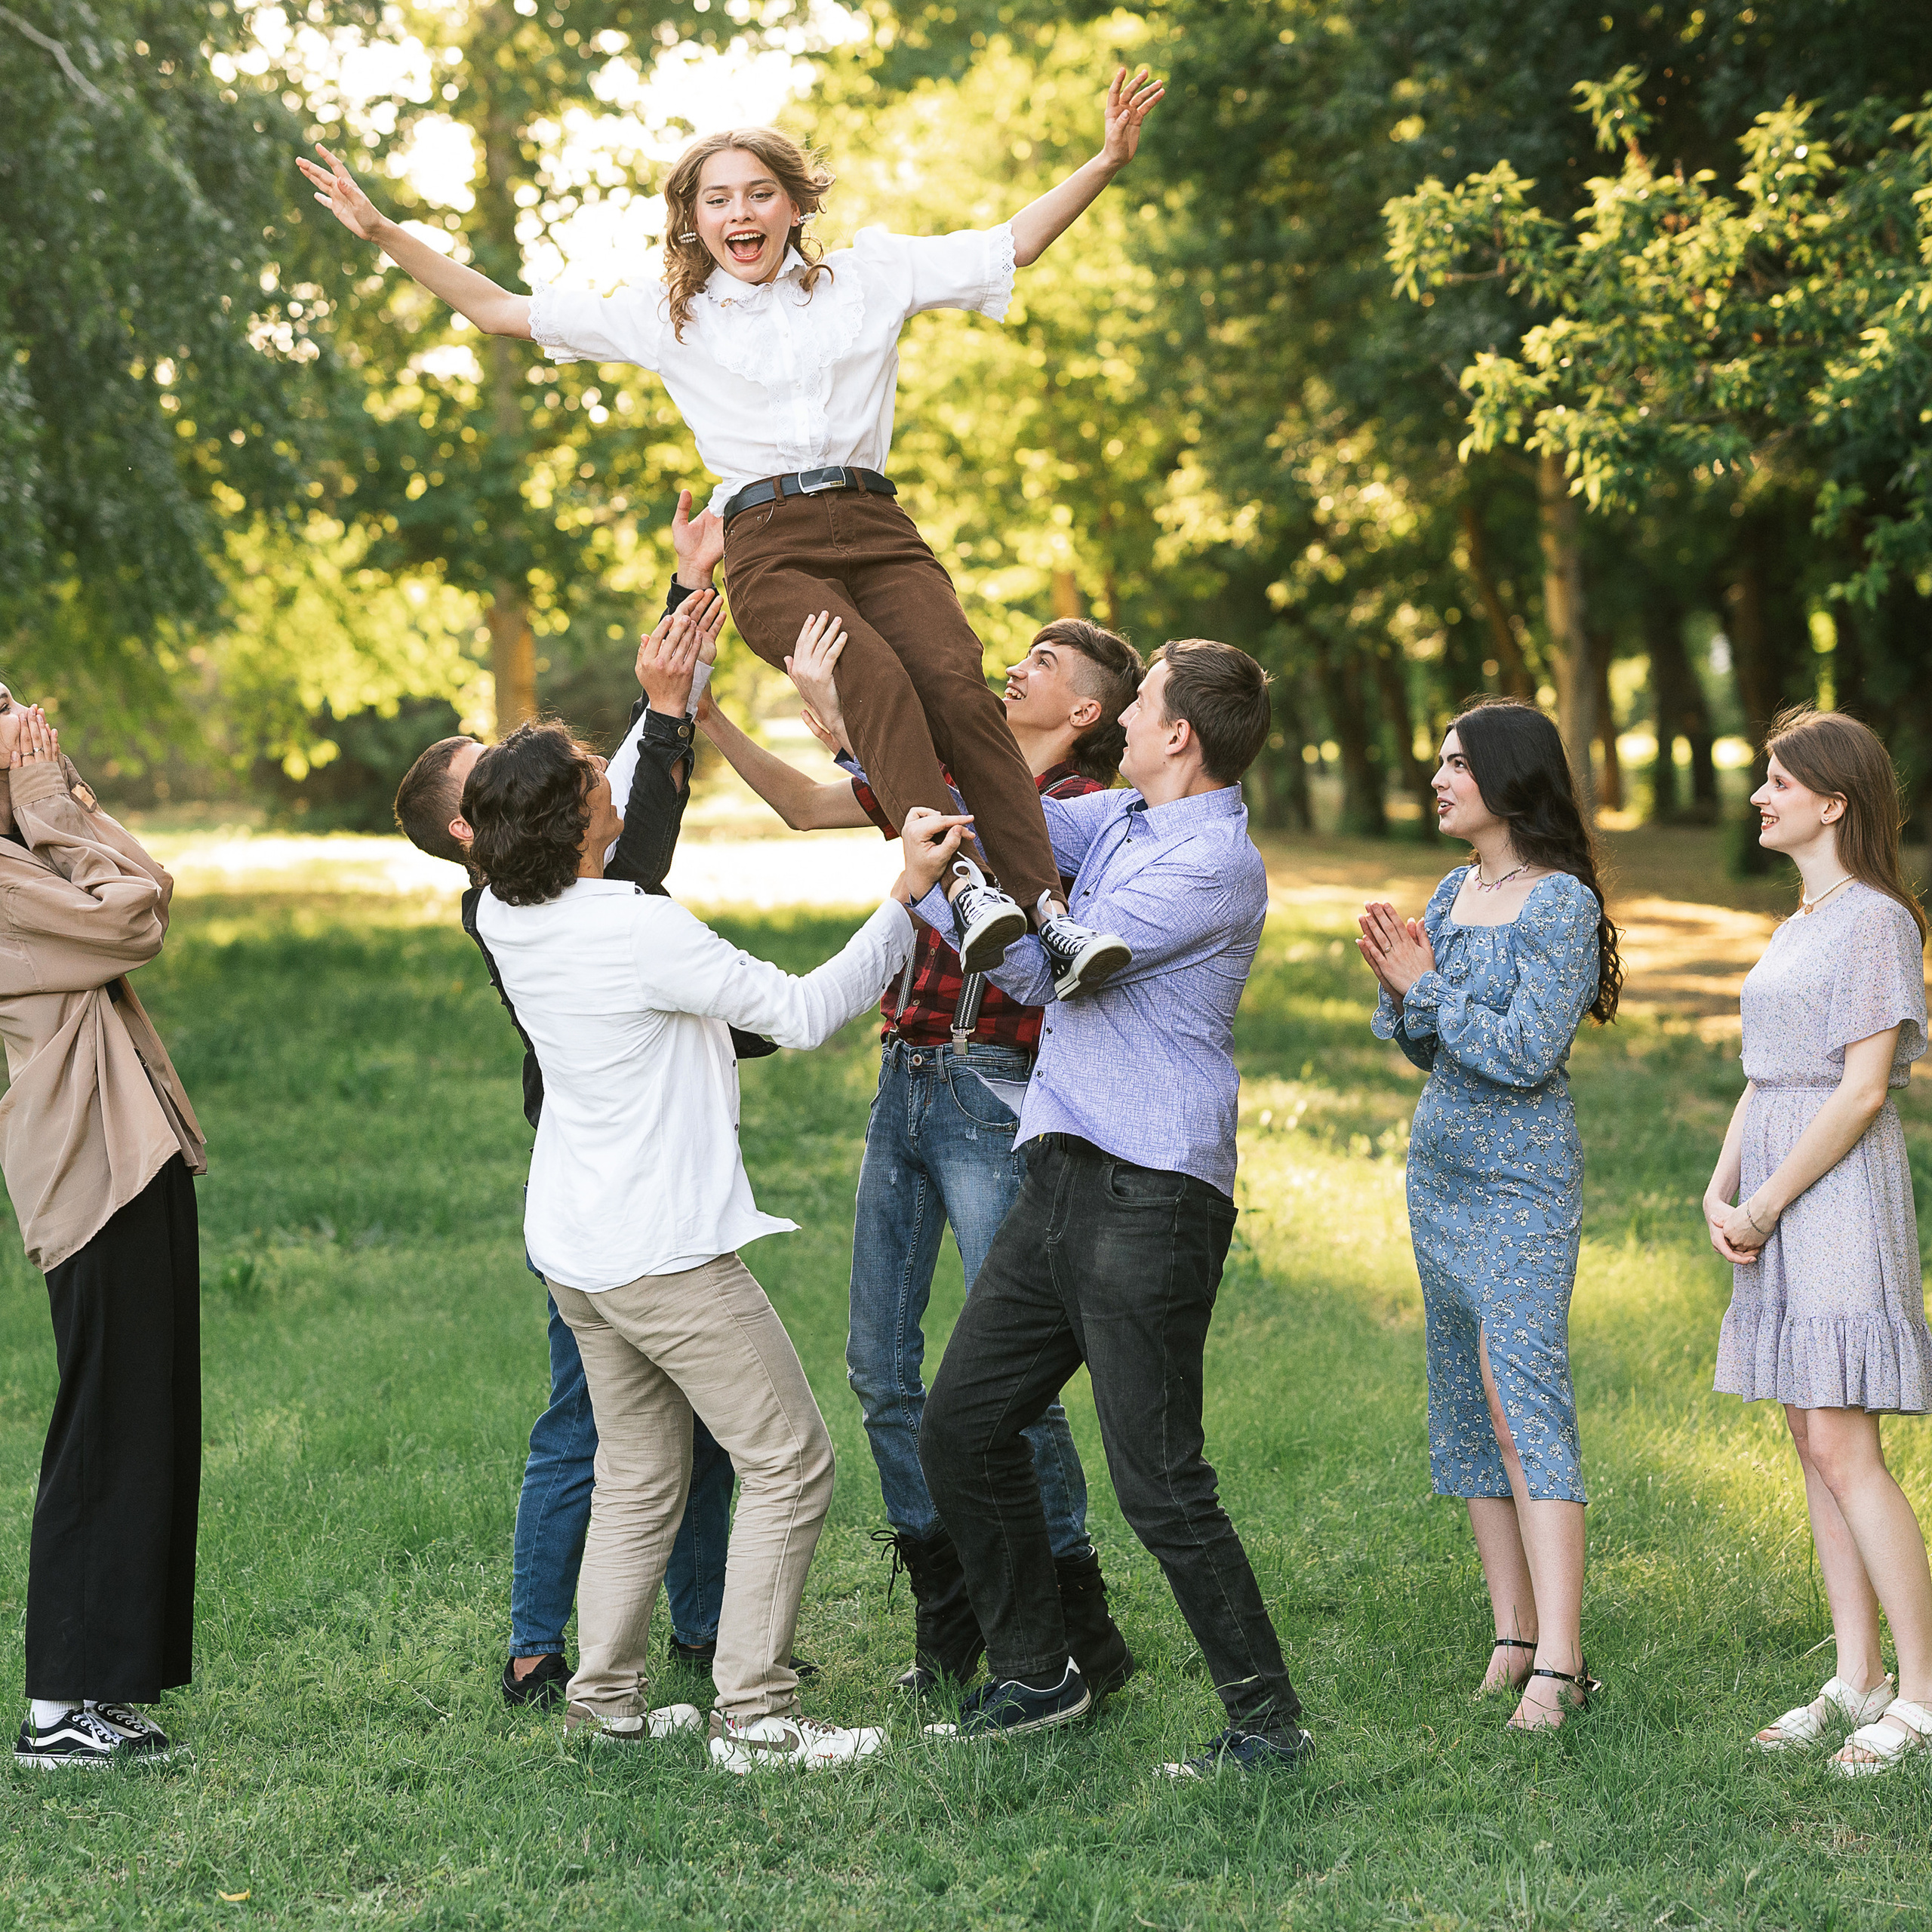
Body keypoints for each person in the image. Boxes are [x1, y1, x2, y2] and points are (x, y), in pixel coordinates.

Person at [297, 69, 1166, 997]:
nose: (739, 212)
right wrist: (385, 232)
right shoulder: (669, 316)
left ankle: (1049, 915)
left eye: (759, 193)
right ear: (694, 219)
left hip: (879, 523)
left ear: (794, 205)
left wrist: (1106, 160)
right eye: (718, 199)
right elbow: (500, 310)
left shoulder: (871, 275)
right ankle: (955, 879)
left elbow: (1012, 244)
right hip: (770, 542)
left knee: (957, 687)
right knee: (867, 675)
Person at [464, 717, 960, 1767]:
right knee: (790, 1460)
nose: (614, 780)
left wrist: (669, 697)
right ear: (579, 823)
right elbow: (800, 1012)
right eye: (598, 777)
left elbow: (618, 803)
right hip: (661, 1255)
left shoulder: (504, 916)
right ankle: (756, 1717)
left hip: (577, 1252)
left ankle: (602, 1703)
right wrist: (904, 899)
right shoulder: (638, 931)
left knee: (640, 1475)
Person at [697, 610, 1145, 1694]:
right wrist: (705, 713)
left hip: (993, 1091)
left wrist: (855, 732)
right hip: (904, 1078)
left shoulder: (1089, 812)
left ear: (1084, 711)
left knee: (1016, 1381)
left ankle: (1074, 1613)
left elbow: (990, 864)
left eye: (1044, 664)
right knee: (879, 1370)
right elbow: (808, 804)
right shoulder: (944, 776)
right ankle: (948, 1611)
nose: (1015, 666)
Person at [907, 638, 1314, 1779]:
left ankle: (1268, 1724)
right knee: (964, 1426)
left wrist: (936, 897)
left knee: (1159, 1480)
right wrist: (909, 769)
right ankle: (1038, 1675)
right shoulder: (1123, 821)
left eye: (1136, 706)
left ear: (1180, 733)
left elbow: (1039, 973)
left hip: (1155, 1190)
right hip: (1064, 1168)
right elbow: (1007, 819)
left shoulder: (1213, 867)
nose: (1118, 722)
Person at [392, 563, 766, 1707]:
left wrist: (684, 584)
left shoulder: (546, 890)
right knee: (585, 1426)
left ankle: (704, 1625)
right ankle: (536, 1644)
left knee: (692, 1425)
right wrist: (665, 704)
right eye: (496, 775)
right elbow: (637, 851)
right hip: (604, 1211)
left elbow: (622, 841)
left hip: (631, 1195)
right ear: (472, 827)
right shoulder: (505, 908)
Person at [1356, 698, 1621, 1732]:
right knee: (1467, 1403)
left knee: (1524, 1405)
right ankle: (1512, 1635)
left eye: (1457, 763)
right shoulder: (1454, 888)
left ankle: (1565, 1659)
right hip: (1440, 1174)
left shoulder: (1561, 905)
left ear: (1509, 778)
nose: (1438, 778)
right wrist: (1398, 987)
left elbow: (1523, 1055)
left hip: (1521, 1183)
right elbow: (1435, 1049)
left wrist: (1426, 989)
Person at [1703, 706, 1932, 1776]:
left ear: (1834, 802)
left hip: (1835, 1192)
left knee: (1846, 1442)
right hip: (1778, 1185)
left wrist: (1767, 1203)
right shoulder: (1800, 920)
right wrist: (1722, 1186)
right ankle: (1858, 1678)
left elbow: (1864, 1091)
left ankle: (1922, 1698)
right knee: (1808, 1435)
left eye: (1779, 782)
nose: (1761, 794)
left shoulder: (1877, 919)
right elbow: (1765, 1073)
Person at [3, 699, 203, 1770]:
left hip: (139, 1147)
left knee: (148, 1423)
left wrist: (59, 794)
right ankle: (57, 1709)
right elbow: (129, 923)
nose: (26, 716)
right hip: (89, 1165)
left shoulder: (27, 840)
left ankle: (106, 1690)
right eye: (3, 711)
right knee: (102, 1428)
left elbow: (150, 884)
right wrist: (42, 801)